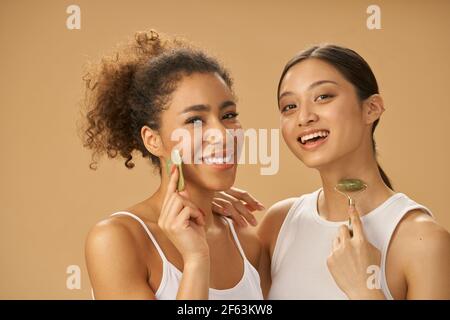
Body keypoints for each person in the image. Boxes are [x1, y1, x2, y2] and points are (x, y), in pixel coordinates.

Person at [255, 44, 450, 299]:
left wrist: (365, 289)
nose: (304, 117)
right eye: (289, 106)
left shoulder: (423, 241)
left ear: (371, 108)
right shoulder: (279, 224)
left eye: (323, 97)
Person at [82, 30, 264, 300]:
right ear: (153, 140)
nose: (223, 134)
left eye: (228, 115)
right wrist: (196, 260)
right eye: (194, 120)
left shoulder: (246, 238)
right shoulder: (117, 240)